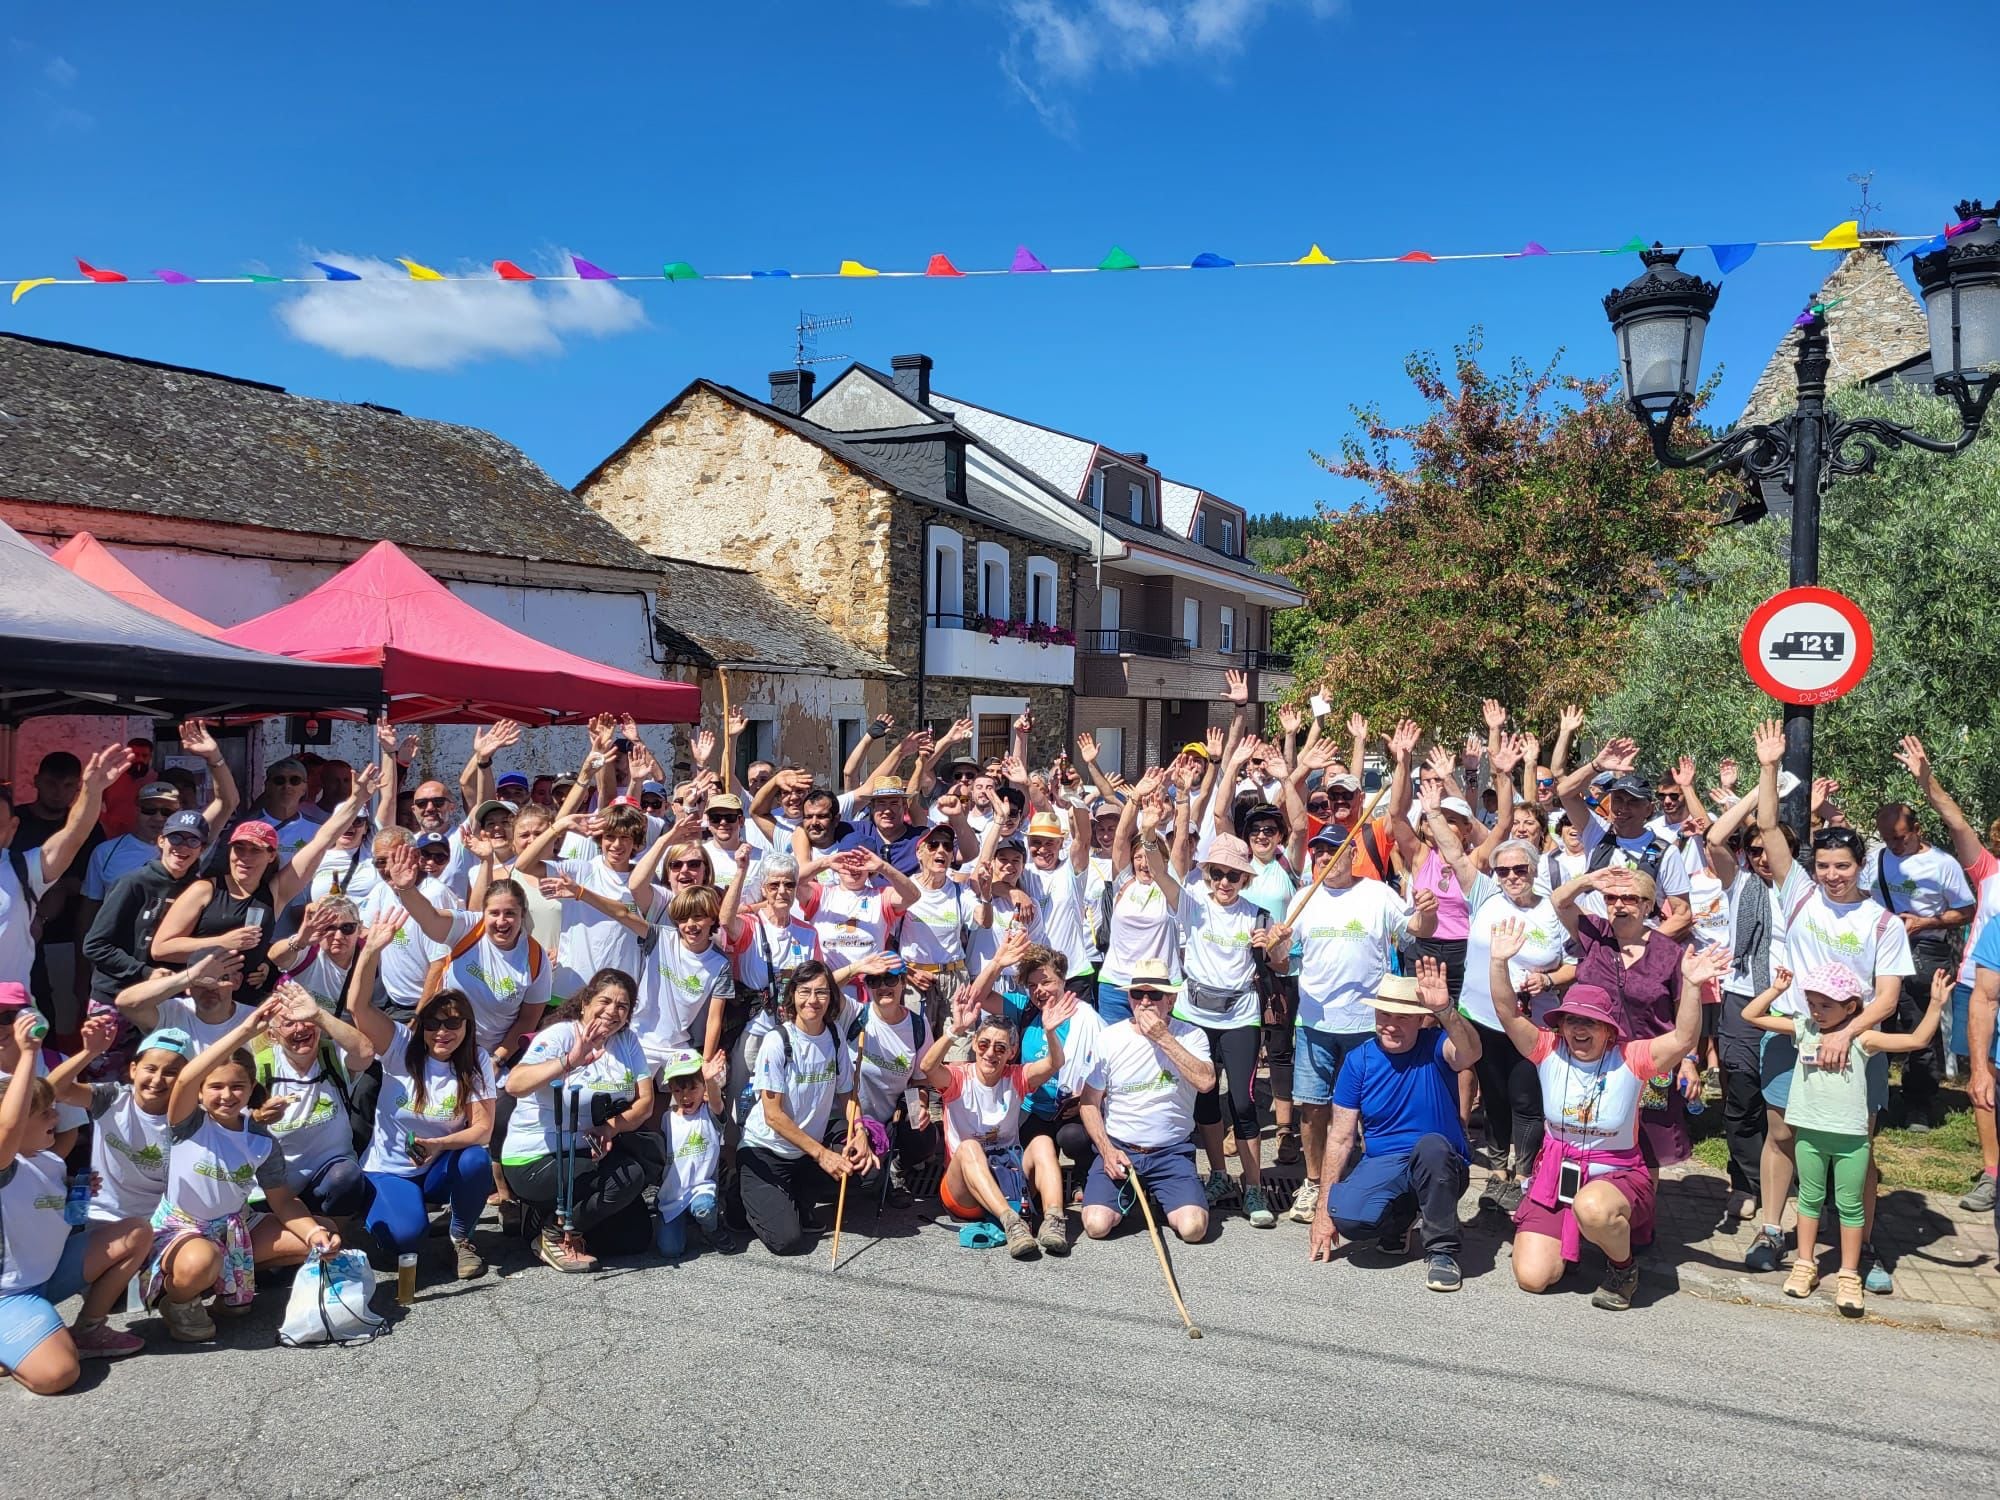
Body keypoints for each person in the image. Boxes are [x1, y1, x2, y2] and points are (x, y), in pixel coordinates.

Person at [1746, 720, 1911, 1291]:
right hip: (1792, 1032)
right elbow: (1767, 824)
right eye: (1824, 867)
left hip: (1857, 1044)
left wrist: (1847, 1034)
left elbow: (1887, 996)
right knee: (1784, 1136)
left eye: (1842, 867)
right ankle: (1773, 1231)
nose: (1832, 876)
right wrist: (1769, 767)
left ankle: (1860, 1250)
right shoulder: (1798, 894)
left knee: (1855, 1145)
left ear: (1859, 866)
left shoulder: (1883, 923)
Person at [1489, 923, 1717, 1310]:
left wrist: (1692, 986)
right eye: (1572, 1020)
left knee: (1593, 1208)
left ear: (1609, 1031)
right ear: (1560, 1025)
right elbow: (1507, 1014)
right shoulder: (1548, 1050)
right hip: (1556, 1174)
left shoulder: (1632, 1057)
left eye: (1591, 1022)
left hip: (1616, 1178)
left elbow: (1682, 1039)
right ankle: (1570, 1244)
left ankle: (1622, 1268)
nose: (1580, 1028)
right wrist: (1498, 962)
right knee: (1532, 1278)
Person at [1744, 962, 1949, 1316]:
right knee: (1808, 1200)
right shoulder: (1803, 1029)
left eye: (1826, 1005)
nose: (1817, 1012)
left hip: (1852, 1139)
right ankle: (1805, 1265)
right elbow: (1752, 1015)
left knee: (1850, 1206)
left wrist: (1935, 1005)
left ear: (1851, 1007)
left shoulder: (1862, 1039)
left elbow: (1916, 1041)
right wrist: (1777, 991)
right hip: (1808, 1133)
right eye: (1812, 1003)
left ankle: (1849, 1274)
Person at [142, 999, 339, 1342]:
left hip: (235, 1224)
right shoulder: (188, 1123)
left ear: (251, 1089)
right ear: (201, 1091)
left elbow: (283, 1201)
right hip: (183, 1228)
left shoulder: (261, 1139)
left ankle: (226, 1283)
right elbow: (186, 1077)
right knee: (202, 1260)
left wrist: (313, 1236)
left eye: (237, 1087)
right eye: (215, 1087)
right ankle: (178, 1299)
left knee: (324, 1232)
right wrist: (246, 1032)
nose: (227, 1095)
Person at [1420, 784, 1571, 1214]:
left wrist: (1550, 978)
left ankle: (1522, 1173)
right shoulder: (1485, 894)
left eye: (1519, 869)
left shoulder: (1552, 909)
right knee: (1496, 1093)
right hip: (1482, 1018)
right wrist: (1432, 812)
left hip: (1531, 1023)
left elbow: (1576, 964)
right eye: (1503, 871)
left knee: (1526, 1097)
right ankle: (1500, 1167)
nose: (1510, 878)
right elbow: (1453, 852)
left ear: (1534, 867)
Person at [1285, 827, 1436, 1225]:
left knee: (1371, 1109)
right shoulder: (1304, 897)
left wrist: (1428, 910)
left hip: (1368, 1022)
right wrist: (1275, 943)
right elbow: (1281, 957)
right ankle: (1314, 1183)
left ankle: (1377, 1180)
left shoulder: (1377, 894)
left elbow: (1419, 930)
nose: (1324, 858)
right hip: (1314, 1021)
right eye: (1318, 851)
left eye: (1334, 850)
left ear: (1352, 853)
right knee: (1313, 1107)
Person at [1305, 965, 1482, 1292]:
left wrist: (1444, 1010)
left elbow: (1471, 1052)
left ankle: (1442, 1251)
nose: (1390, 1025)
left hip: (1441, 1162)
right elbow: (1341, 1138)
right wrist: (1322, 1213)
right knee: (1347, 1215)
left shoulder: (1436, 1044)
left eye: (1402, 1018)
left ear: (1419, 1019)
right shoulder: (1359, 1061)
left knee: (1431, 1148)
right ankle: (1401, 1222)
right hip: (1386, 1163)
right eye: (1384, 1015)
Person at [0, 1013, 152, 1391]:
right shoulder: (4, 1164)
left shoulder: (48, 1158)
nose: (56, 1115)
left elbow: (49, 1092)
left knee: (136, 1231)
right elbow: (7, 1128)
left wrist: (87, 1052)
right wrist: (27, 1055)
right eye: (44, 1114)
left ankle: (88, 1328)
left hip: (50, 1274)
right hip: (11, 1294)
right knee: (59, 1375)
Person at [345, 927, 495, 1284]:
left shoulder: (477, 1060)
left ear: (467, 1026)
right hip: (391, 1168)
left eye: (453, 1022)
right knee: (408, 1239)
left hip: (438, 1164)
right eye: (432, 1023)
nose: (442, 1032)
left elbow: (483, 1128)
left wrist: (439, 1145)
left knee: (476, 1159)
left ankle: (460, 1237)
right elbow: (358, 1007)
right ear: (421, 1025)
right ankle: (376, 1216)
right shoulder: (400, 1047)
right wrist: (370, 953)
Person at [151, 769, 380, 999]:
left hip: (246, 1004)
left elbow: (322, 840)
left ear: (271, 855)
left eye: (254, 850)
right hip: (198, 1000)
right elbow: (161, 948)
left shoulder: (274, 892)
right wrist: (220, 943)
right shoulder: (206, 889)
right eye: (239, 849)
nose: (245, 857)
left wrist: (357, 799)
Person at [1895, 735, 2000, 1212]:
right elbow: (1955, 820)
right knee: (1984, 1080)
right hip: (1979, 985)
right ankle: (1992, 1173)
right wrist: (1926, 780)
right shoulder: (1987, 870)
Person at [1168, 829, 1290, 1227]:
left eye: (1233, 875)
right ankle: (1219, 1176)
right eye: (1217, 873)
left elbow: (1282, 965)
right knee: (1204, 1096)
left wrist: (1275, 944)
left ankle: (1252, 1185)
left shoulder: (1259, 915)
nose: (1224, 882)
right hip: (1195, 1014)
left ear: (1246, 879)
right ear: (1207, 874)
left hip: (1240, 1017)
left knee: (1242, 1101)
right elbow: (1163, 873)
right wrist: (1151, 835)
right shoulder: (1193, 905)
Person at [500, 968, 657, 1273]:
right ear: (586, 1002)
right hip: (536, 1157)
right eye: (605, 1001)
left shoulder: (626, 1041)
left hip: (587, 1153)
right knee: (629, 1176)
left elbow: (646, 1102)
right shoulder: (560, 1035)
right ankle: (553, 1232)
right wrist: (569, 1060)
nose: (612, 1011)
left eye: (622, 1006)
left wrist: (611, 1127)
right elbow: (514, 1084)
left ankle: (545, 1221)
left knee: (635, 1238)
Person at [1551, 866, 1694, 1168]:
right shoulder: (1595, 935)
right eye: (1611, 898)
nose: (1618, 905)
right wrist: (1589, 880)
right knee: (1591, 1137)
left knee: (1648, 1151)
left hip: (1648, 1062)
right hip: (1593, 1060)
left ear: (1646, 905)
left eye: (1629, 898)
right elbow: (1560, 901)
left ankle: (1642, 1211)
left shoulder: (1669, 953)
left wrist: (1690, 1061)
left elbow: (1685, 1010)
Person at [736, 961, 879, 1255]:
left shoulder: (835, 1036)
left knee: (871, 1174)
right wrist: (824, 1154)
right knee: (787, 1241)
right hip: (766, 1151)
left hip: (805, 1153)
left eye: (822, 992)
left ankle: (798, 1196)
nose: (813, 1000)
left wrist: (861, 1131)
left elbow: (847, 1095)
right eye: (805, 991)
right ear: (793, 996)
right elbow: (773, 1116)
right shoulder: (778, 1041)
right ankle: (742, 1196)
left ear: (831, 998)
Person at [919, 985, 1070, 1258]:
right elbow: (928, 1067)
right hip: (964, 1191)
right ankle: (1012, 1224)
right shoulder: (959, 1077)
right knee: (969, 1148)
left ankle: (1054, 1220)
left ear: (1011, 1052)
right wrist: (955, 1030)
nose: (991, 1053)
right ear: (975, 1045)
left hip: (1008, 1178)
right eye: (984, 1044)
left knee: (1043, 1143)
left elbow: (1054, 1063)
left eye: (1000, 1047)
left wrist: (1049, 1032)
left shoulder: (1016, 1077)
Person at [1077, 960, 1216, 1245]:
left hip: (1171, 1152)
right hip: (1121, 1149)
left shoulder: (1191, 1035)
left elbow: (1206, 1082)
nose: (1144, 1002)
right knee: (1095, 1225)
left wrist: (1163, 1037)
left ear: (1171, 999)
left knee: (1193, 1229)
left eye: (1153, 995)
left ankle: (1167, 1196)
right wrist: (1106, 1150)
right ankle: (1128, 1196)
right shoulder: (1110, 1037)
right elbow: (1089, 1103)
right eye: (1136, 994)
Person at [1868, 796, 1974, 1131]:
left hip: (1925, 949)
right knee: (1875, 1023)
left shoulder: (1943, 865)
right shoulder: (1876, 858)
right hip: (1881, 949)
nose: (1894, 845)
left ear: (1917, 830)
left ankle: (1919, 1104)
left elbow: (1967, 911)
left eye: (1900, 837)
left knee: (1921, 1026)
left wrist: (1923, 923)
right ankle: (1875, 1097)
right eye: (1887, 838)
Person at [1, 746, 127, 1026]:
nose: (59, 791)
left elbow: (73, 835)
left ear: (12, 829)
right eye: (52, 784)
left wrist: (92, 791)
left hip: (11, 1021)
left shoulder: (23, 868)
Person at [251, 982, 375, 1223]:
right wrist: (258, 1118)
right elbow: (232, 1123)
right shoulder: (261, 1067)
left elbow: (365, 1053)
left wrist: (318, 1014)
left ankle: (335, 1232)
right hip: (275, 1185)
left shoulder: (330, 1055)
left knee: (347, 1178)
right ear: (272, 1035)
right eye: (289, 1023)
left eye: (305, 1019)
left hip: (329, 1172)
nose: (300, 1028)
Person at [1554, 738, 1693, 937]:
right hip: (1594, 942)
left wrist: (1644, 945)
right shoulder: (1597, 832)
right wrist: (1596, 766)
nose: (1623, 808)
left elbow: (1683, 914)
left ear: (1649, 809)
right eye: (1618, 799)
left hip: (1637, 949)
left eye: (1633, 802)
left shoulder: (1664, 851)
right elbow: (1565, 793)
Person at [1101, 771, 1181, 1025]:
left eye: (1150, 856)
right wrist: (1134, 799)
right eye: (1138, 858)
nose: (1144, 863)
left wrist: (1182, 795)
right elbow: (1121, 839)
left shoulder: (1170, 887)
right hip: (1116, 984)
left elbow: (1179, 846)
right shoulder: (1124, 882)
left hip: (1160, 986)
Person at [652, 1048, 734, 1259]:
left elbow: (716, 1101)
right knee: (671, 1250)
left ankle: (711, 1228)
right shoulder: (667, 1119)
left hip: (701, 1186)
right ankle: (682, 1218)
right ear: (671, 1090)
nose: (685, 1096)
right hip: (674, 1191)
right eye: (678, 1091)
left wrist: (711, 1081)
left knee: (704, 1208)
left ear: (702, 1088)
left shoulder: (709, 1114)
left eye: (692, 1089)